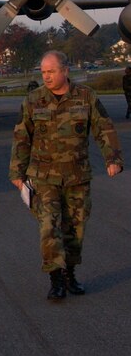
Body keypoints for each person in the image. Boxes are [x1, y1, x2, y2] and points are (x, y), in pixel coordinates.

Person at [9, 50, 123, 301]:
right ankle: (56, 279)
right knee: (49, 227)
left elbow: (104, 128)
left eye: (51, 72)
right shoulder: (33, 100)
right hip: (43, 177)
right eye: (43, 72)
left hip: (77, 177)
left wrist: (112, 159)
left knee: (75, 228)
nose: (46, 77)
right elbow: (21, 138)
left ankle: (70, 274)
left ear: (65, 71)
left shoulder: (86, 97)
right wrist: (16, 172)